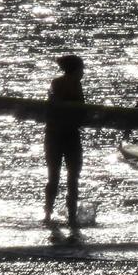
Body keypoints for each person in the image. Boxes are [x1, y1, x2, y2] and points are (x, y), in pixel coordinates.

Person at [44, 54, 86, 225]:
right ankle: (72, 217)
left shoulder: (57, 83)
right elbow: (81, 110)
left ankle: (48, 214)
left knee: (54, 176)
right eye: (82, 69)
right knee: (72, 177)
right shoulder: (71, 83)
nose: (83, 72)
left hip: (54, 134)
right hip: (67, 135)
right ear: (75, 70)